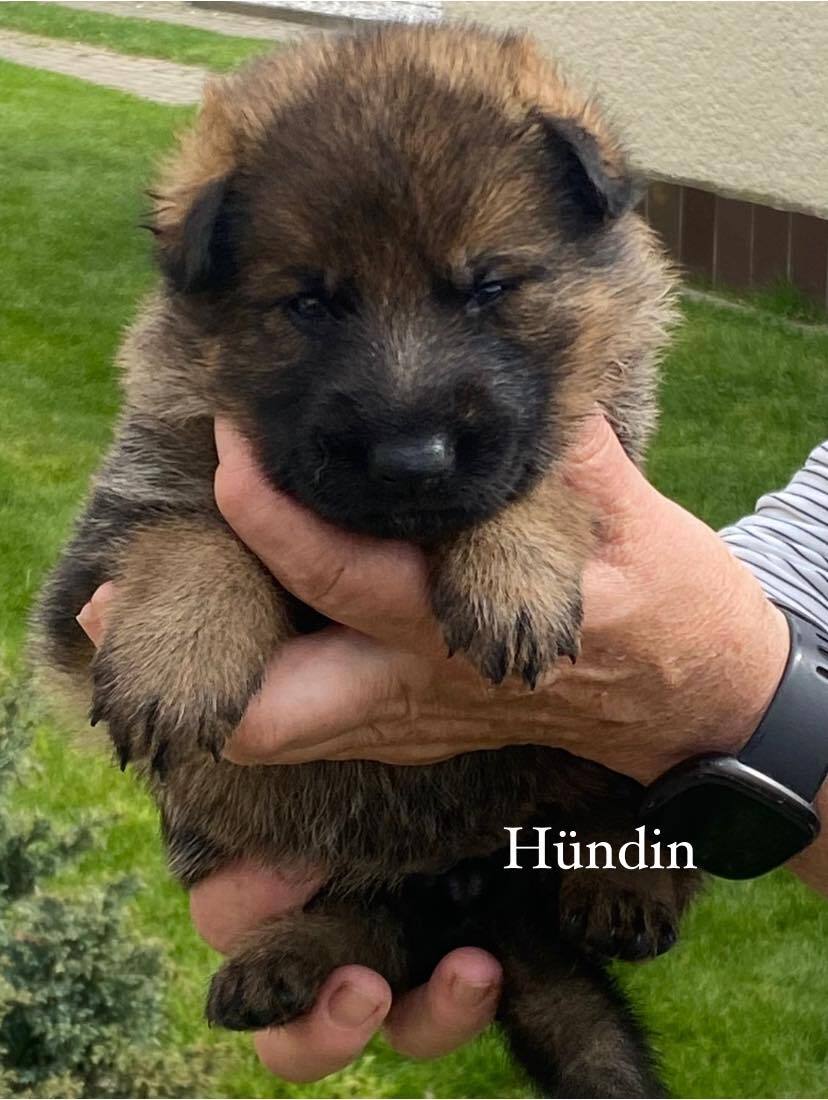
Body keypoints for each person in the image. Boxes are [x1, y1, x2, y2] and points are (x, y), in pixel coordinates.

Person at [77, 414, 828, 1084]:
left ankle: (613, 861)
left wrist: (729, 699)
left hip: (549, 823)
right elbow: (783, 580)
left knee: (572, 971)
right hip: (364, 866)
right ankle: (350, 931)